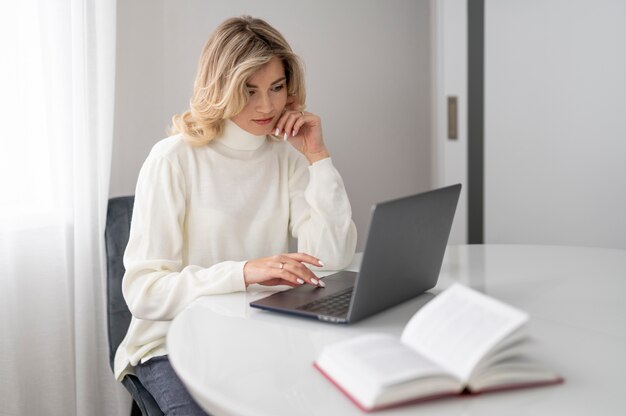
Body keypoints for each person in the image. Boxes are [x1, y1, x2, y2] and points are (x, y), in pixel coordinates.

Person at [113, 15, 357, 415]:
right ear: (221, 88)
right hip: (170, 343)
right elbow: (143, 291)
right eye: (249, 91)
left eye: (277, 87)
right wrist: (243, 272)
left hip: (256, 334)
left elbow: (333, 256)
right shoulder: (172, 159)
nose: (266, 105)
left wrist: (317, 156)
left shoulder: (286, 156)